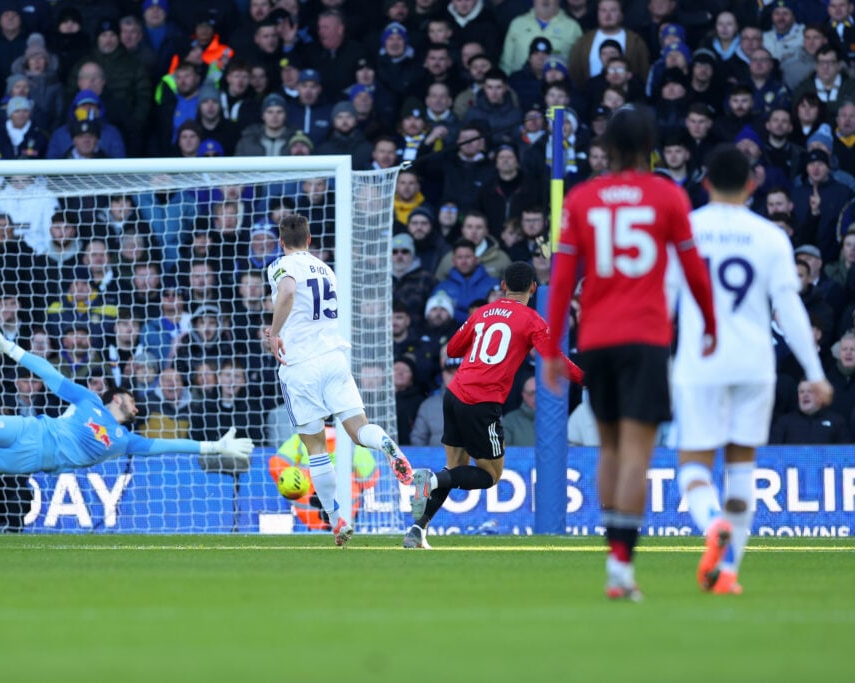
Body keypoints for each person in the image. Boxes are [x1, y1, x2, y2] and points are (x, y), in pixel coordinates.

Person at [542, 107, 718, 601]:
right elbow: (694, 269)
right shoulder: (667, 195)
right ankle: (621, 568)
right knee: (637, 453)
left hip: (596, 339)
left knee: (610, 449)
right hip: (645, 338)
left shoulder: (581, 198)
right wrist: (708, 323)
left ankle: (612, 560)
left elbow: (562, 280)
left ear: (607, 148)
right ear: (649, 147)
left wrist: (552, 346)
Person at [669, 144, 833, 597]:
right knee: (742, 467)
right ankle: (728, 574)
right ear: (752, 184)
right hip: (755, 362)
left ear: (704, 184)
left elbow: (661, 303)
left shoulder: (686, 231)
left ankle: (710, 521)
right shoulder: (770, 237)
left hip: (701, 361)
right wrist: (815, 371)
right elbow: (789, 308)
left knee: (694, 464)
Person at [0, 325, 254, 475]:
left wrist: (213, 445)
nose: (136, 407)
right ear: (120, 397)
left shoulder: (127, 440)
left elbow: (170, 446)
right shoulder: (89, 399)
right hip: (30, 430)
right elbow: (49, 373)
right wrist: (11, 349)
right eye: (133, 400)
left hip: (29, 463)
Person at [405, 262, 583, 549]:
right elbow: (554, 359)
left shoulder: (482, 313)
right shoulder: (533, 320)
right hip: (481, 403)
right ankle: (431, 479)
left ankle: (417, 528)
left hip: (453, 394)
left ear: (503, 286)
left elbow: (452, 349)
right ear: (533, 289)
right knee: (490, 475)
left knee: (456, 467)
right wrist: (585, 379)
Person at [266, 214, 413, 548]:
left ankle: (335, 520)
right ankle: (387, 446)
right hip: (334, 357)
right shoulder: (325, 269)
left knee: (315, 447)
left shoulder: (279, 264)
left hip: (300, 364)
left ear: (281, 241)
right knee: (359, 429)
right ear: (310, 239)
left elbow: (288, 291)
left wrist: (274, 334)